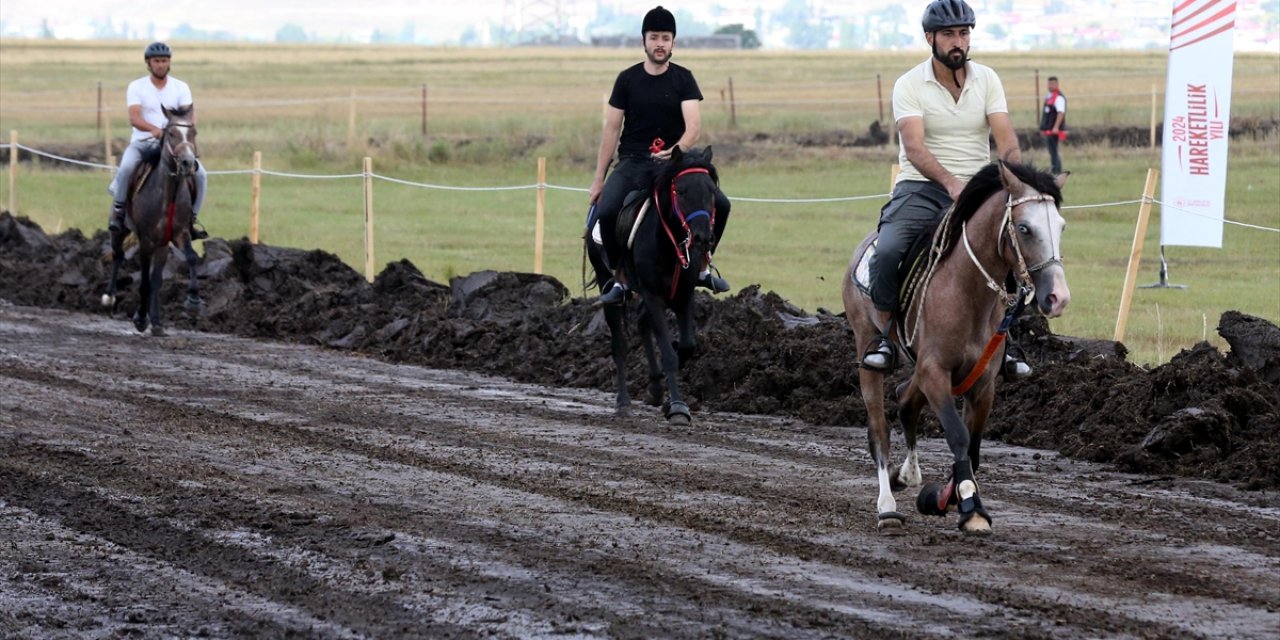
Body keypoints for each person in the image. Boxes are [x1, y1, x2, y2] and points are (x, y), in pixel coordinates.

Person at [863, 0, 1030, 377]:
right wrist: (952, 184)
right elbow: (915, 147)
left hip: (979, 188)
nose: (959, 42)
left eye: (964, 33)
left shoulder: (987, 79)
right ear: (930, 38)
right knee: (888, 251)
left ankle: (1010, 340)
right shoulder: (909, 84)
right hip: (921, 188)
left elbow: (1005, 137)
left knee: (1020, 249)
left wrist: (1014, 176)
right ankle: (885, 336)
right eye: (950, 34)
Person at [589, 5, 731, 305]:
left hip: (675, 164)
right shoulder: (626, 80)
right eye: (654, 37)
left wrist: (677, 150)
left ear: (673, 43)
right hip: (632, 161)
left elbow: (693, 126)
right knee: (607, 210)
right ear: (644, 40)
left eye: (666, 38)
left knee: (721, 204)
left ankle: (702, 265)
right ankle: (620, 277)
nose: (660, 44)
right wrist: (598, 179)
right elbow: (611, 130)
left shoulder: (684, 79)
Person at [107, 41, 209, 240]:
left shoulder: (181, 87)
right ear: (148, 63)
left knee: (201, 175)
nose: (161, 64)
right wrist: (155, 130)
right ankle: (118, 212)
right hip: (143, 142)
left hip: (173, 146)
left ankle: (191, 219)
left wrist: (180, 135)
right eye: (157, 61)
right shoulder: (137, 86)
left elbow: (190, 116)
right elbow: (134, 118)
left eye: (164, 60)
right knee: (127, 167)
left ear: (169, 62)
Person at [1040, 75, 1067, 174]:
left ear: (1057, 84)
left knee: (1054, 151)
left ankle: (1056, 170)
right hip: (1048, 129)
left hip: (1054, 130)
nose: (1050, 86)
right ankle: (1055, 169)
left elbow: (1061, 113)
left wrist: (1056, 127)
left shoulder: (1058, 97)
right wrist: (1043, 127)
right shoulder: (1049, 96)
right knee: (1052, 151)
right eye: (1049, 83)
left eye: (1053, 84)